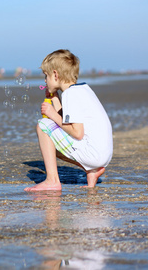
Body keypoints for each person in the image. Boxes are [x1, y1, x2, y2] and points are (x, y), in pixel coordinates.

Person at [25, 49, 113, 191]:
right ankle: (92, 171)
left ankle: (52, 181)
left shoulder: (70, 95)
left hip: (93, 154)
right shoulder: (82, 89)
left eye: (46, 76)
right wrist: (54, 97)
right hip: (102, 154)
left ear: (55, 75)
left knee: (42, 126)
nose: (45, 80)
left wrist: (51, 114)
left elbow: (77, 132)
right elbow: (68, 118)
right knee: (51, 146)